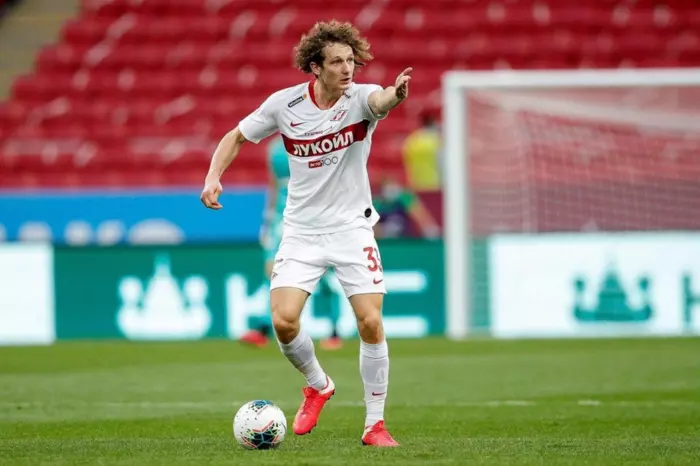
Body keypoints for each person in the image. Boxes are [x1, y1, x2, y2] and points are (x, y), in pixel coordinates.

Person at [200, 20, 411, 447]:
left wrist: (396, 94)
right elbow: (236, 136)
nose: (347, 69)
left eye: (350, 61)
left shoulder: (361, 99)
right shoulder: (285, 105)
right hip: (301, 231)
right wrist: (212, 176)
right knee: (283, 320)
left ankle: (374, 425)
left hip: (352, 228)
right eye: (336, 62)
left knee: (370, 321)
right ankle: (318, 385)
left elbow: (381, 99)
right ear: (315, 66)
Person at [241, 137, 344, 350]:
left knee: (323, 276)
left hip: (311, 217)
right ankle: (264, 327)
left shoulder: (318, 143)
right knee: (273, 271)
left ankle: (334, 330)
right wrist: (267, 220)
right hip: (282, 217)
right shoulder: (275, 149)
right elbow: (273, 185)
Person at [373, 175, 441, 239]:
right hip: (383, 240)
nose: (390, 190)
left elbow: (422, 219)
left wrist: (431, 231)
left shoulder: (405, 198)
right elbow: (370, 225)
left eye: (392, 185)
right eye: (387, 186)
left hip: (404, 239)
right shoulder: (376, 202)